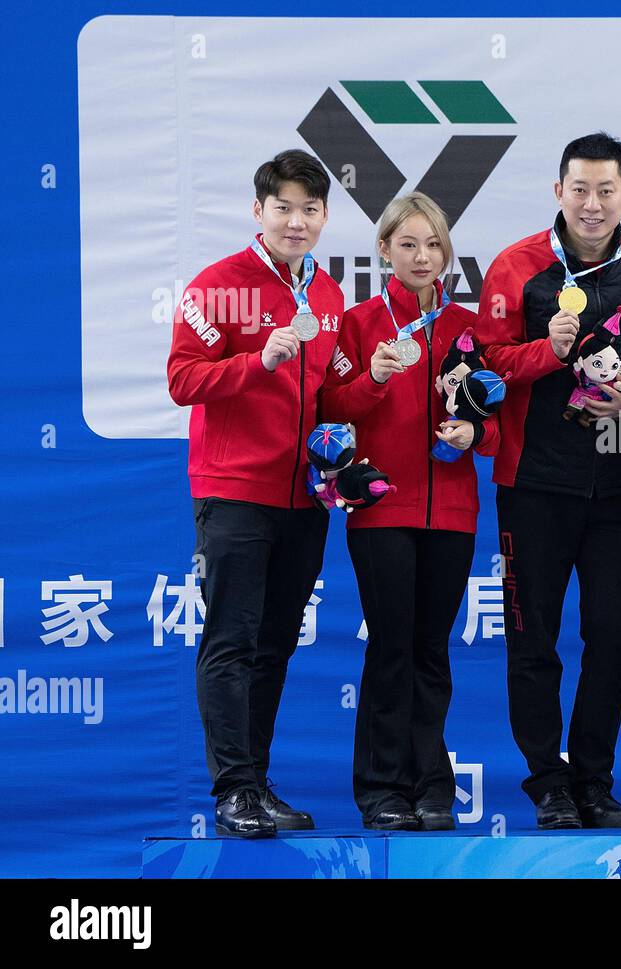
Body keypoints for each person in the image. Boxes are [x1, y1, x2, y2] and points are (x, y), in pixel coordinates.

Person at [476, 132, 621, 829]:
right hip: (533, 483)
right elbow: (484, 368)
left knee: (613, 634)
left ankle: (594, 778)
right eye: (579, 190)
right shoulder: (517, 266)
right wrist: (549, 350)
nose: (592, 204)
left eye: (606, 191)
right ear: (558, 192)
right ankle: (547, 780)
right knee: (532, 637)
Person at [167, 149, 344, 838]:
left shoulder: (326, 295)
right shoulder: (218, 285)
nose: (296, 221)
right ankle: (232, 789)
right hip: (235, 489)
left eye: (309, 210)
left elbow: (330, 390)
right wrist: (256, 362)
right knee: (232, 639)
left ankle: (257, 783)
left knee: (274, 644)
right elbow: (182, 378)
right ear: (258, 211)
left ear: (325, 216)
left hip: (304, 497)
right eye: (283, 208)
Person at [318, 192, 498, 831]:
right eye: (408, 245)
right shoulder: (360, 323)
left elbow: (495, 423)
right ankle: (382, 788)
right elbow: (330, 417)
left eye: (433, 245)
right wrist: (372, 378)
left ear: (447, 252)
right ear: (385, 251)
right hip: (382, 509)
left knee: (431, 649)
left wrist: (473, 437)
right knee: (391, 646)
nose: (422, 257)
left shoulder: (468, 328)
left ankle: (432, 786)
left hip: (452, 512)